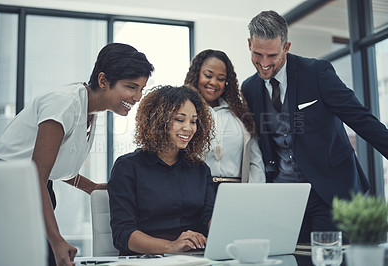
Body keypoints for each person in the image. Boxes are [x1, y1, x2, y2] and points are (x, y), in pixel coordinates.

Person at [0, 43, 154, 265]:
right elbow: (38, 174)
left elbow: (53, 163)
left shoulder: (91, 110)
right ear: (104, 81)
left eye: (142, 88)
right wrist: (57, 240)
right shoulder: (64, 104)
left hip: (31, 188)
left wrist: (90, 187)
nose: (137, 96)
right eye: (131, 87)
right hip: (3, 188)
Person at [241, 10, 388, 243]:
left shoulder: (317, 73)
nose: (265, 64)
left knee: (330, 257)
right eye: (258, 54)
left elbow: (360, 118)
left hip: (328, 190)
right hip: (284, 196)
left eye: (272, 56)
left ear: (286, 47)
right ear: (249, 44)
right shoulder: (249, 88)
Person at [107, 85, 215, 255]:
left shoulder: (200, 169)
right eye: (180, 120)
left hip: (194, 258)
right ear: (159, 120)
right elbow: (123, 233)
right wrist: (170, 247)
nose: (188, 128)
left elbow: (206, 219)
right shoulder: (127, 167)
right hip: (146, 259)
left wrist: (223, 226)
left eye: (193, 121)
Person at [184, 49, 265, 192]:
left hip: (235, 193)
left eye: (221, 79)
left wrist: (254, 193)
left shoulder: (240, 115)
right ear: (197, 75)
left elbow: (255, 161)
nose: (213, 82)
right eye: (208, 75)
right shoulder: (183, 112)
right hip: (195, 191)